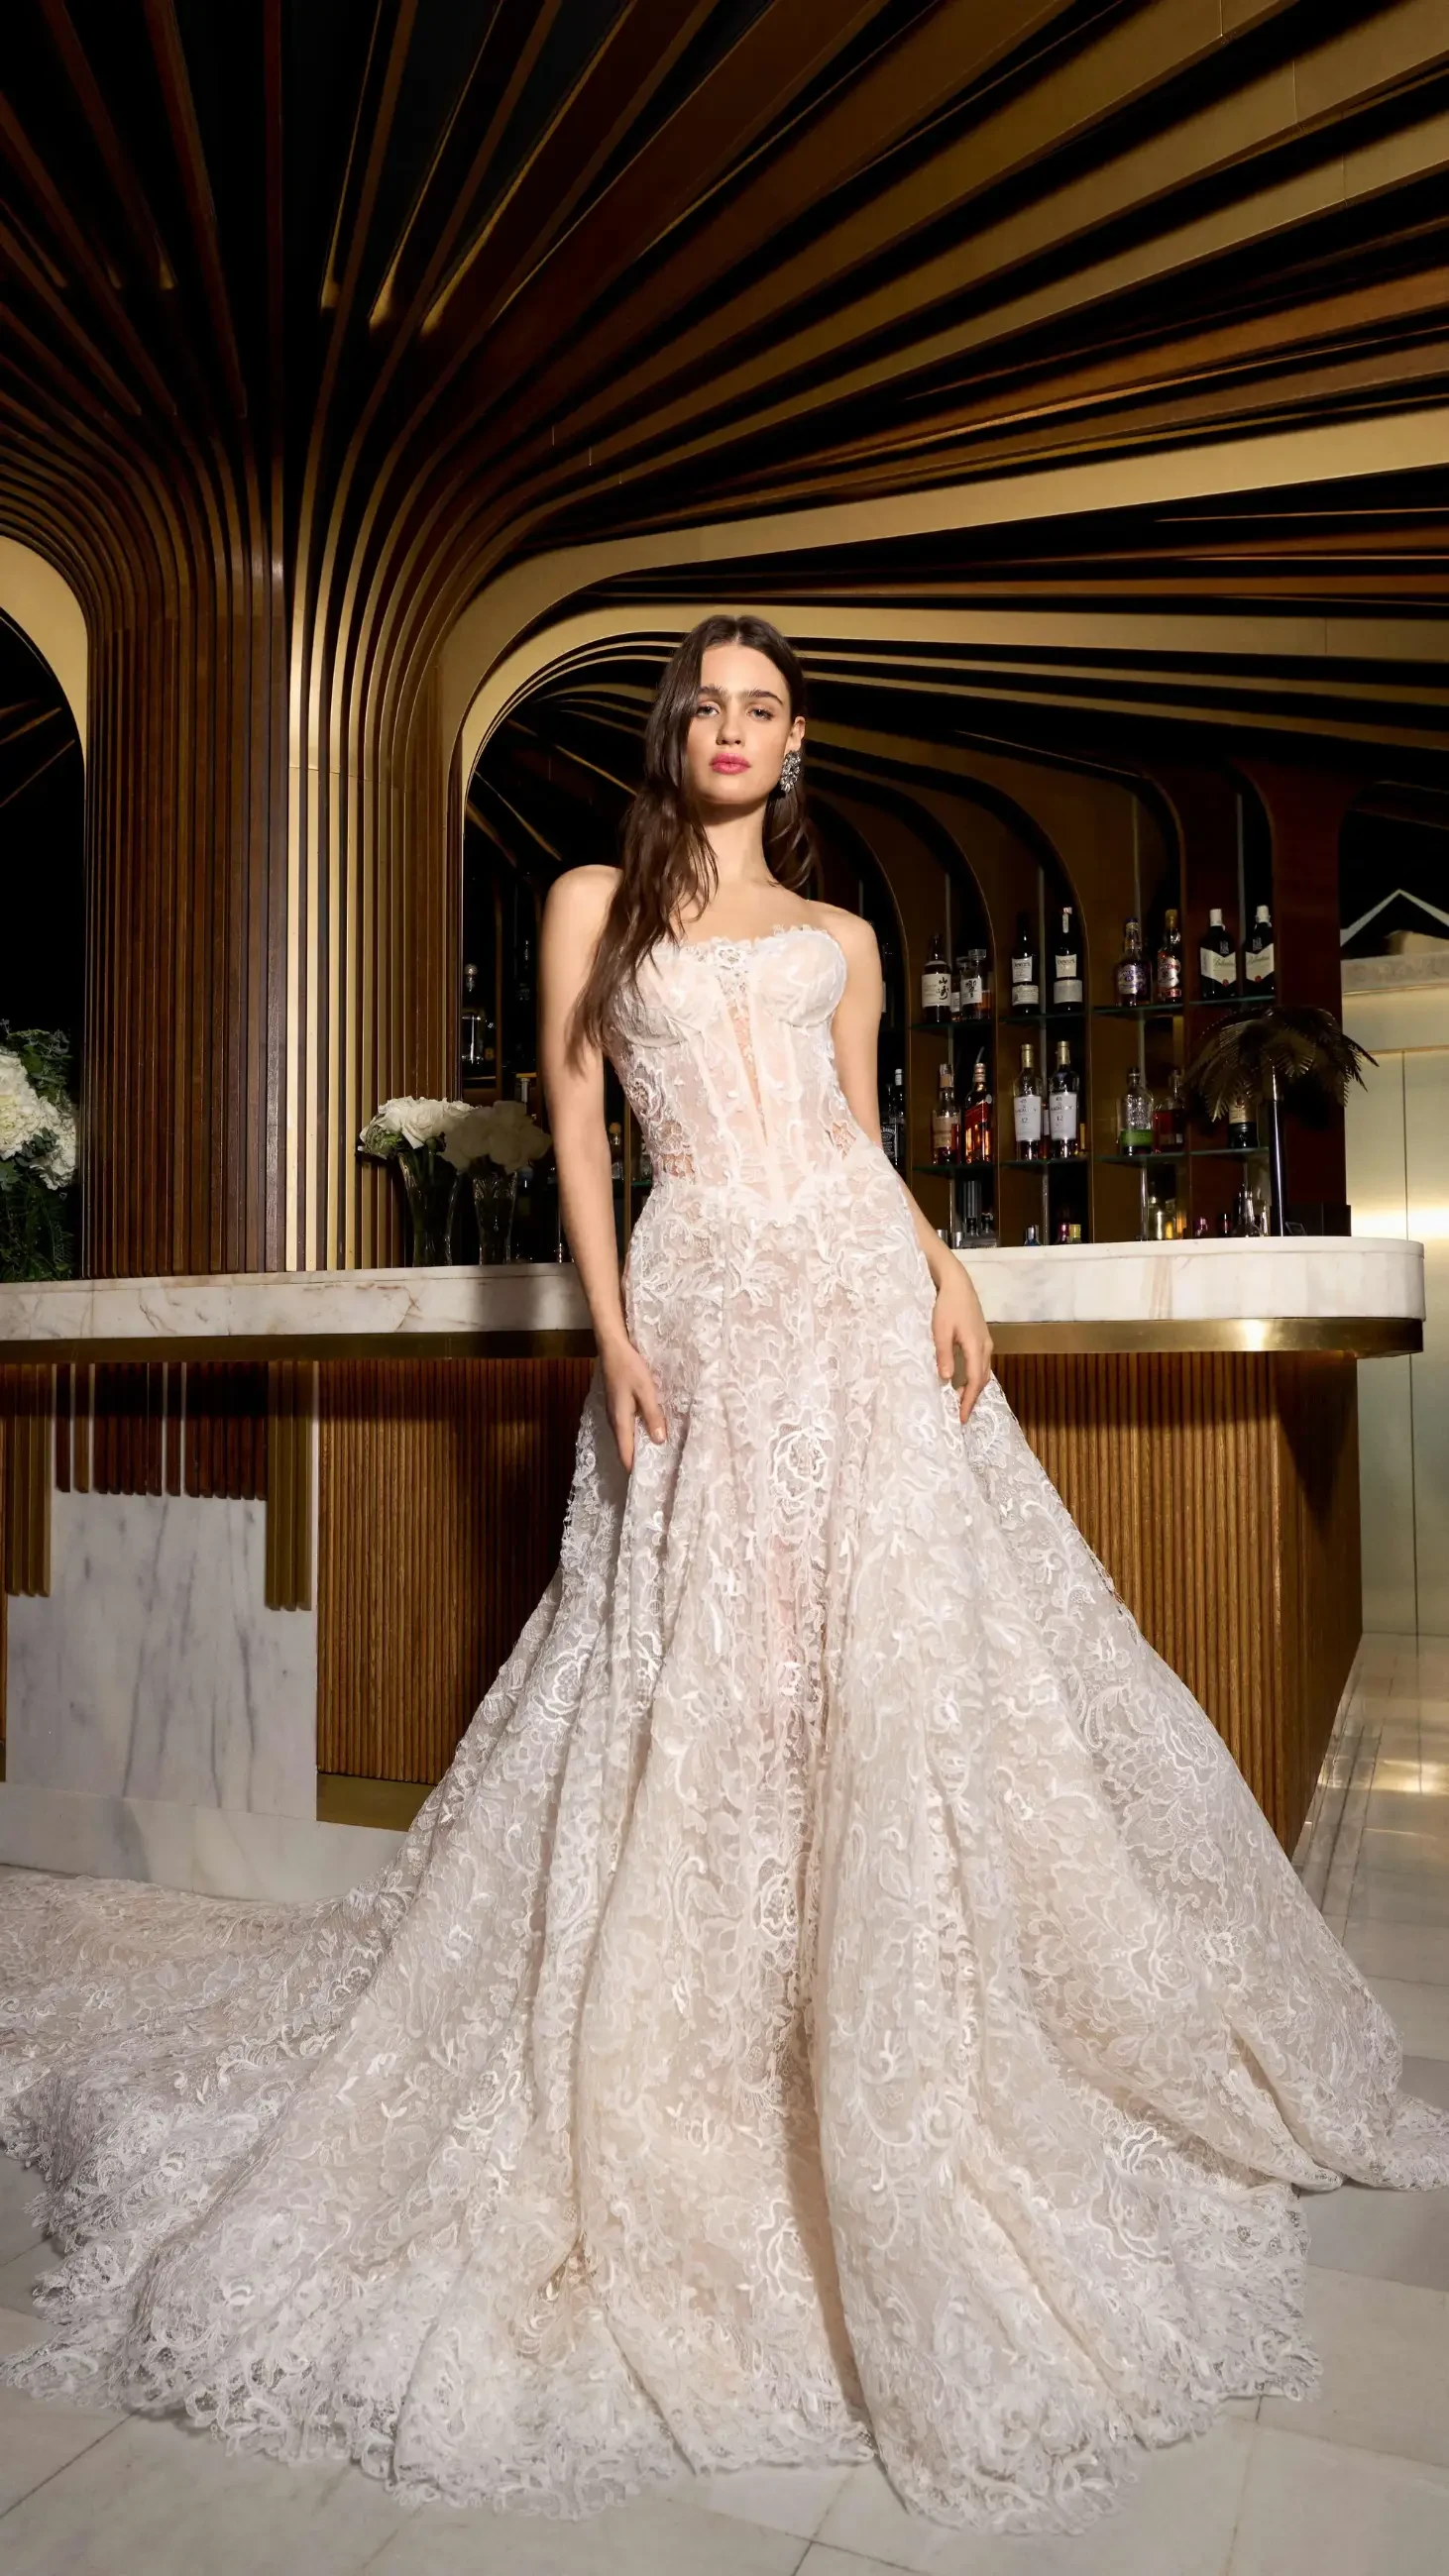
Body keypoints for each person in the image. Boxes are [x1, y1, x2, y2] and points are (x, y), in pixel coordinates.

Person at [0, 614, 1445, 2537]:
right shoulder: (593, 899)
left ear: (793, 741)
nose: (739, 734)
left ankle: (873, 1991)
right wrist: (607, 1330)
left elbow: (859, 1148)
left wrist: (940, 1276)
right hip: (691, 1300)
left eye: (769, 711)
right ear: (678, 732)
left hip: (846, 1297)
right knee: (693, 1658)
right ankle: (717, 2003)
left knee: (882, 1655)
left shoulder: (847, 942)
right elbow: (585, 1137)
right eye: (714, 707)